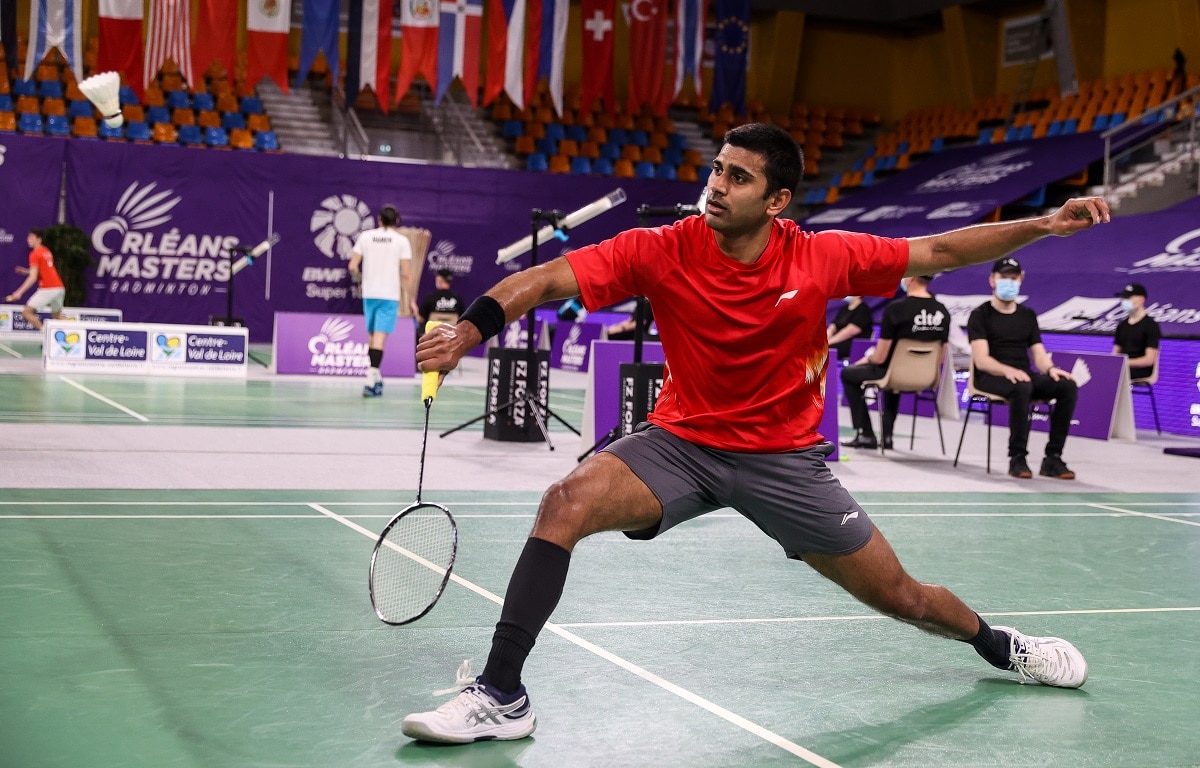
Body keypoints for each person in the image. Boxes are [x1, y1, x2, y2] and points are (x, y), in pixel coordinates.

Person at [406, 122, 1108, 744]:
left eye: (738, 177)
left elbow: (941, 247)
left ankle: (1002, 647)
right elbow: (550, 275)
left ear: (777, 201)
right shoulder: (663, 248)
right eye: (716, 168)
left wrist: (1043, 226)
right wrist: (471, 329)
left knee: (906, 599)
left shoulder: (820, 258)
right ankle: (502, 694)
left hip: (786, 464)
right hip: (682, 443)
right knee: (565, 502)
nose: (716, 186)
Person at [966, 257, 1079, 480]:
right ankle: (1017, 457)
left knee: (1067, 386)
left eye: (1013, 278)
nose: (1009, 282)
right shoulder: (980, 315)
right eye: (1003, 277)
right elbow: (981, 360)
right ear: (992, 280)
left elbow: (1038, 355)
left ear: (1021, 280)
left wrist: (1051, 369)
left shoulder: (1027, 315)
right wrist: (1007, 370)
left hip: (1023, 377)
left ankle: (1053, 458)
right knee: (1022, 386)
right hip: (989, 376)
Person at [841, 274, 950, 450]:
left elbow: (880, 357)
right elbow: (942, 355)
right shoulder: (942, 311)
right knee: (894, 376)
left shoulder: (896, 309)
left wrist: (866, 359)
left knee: (849, 374)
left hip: (894, 374)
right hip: (927, 377)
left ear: (910, 278)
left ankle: (867, 435)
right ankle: (888, 436)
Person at [348, 205, 412, 398]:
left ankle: (376, 379)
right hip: (389, 295)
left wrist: (361, 280)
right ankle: (370, 379)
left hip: (369, 293)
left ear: (379, 219)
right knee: (379, 339)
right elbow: (406, 273)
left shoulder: (366, 237)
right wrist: (395, 284)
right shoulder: (402, 241)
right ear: (397, 221)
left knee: (372, 337)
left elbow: (352, 266)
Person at [5, 230, 66, 331]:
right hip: (59, 288)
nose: (28, 240)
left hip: (48, 289)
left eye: (31, 238)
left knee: (26, 313)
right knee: (57, 315)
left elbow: (33, 277)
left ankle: (47, 335)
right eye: (28, 237)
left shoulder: (34, 254)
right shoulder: (46, 251)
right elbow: (42, 271)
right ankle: (77, 331)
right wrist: (25, 271)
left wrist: (19, 292)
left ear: (39, 239)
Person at [1111, 282, 1160, 381]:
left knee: (1113, 376)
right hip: (1122, 368)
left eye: (1128, 298)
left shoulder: (1151, 326)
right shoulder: (1122, 326)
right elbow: (1115, 353)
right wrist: (1112, 363)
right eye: (1124, 298)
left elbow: (1149, 360)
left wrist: (1125, 363)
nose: (1125, 301)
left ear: (1141, 299)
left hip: (1141, 370)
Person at [827, 295, 873, 362]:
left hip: (853, 345)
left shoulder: (863, 310)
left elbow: (849, 332)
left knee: (828, 350)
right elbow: (833, 326)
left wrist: (829, 342)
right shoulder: (844, 309)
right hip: (836, 341)